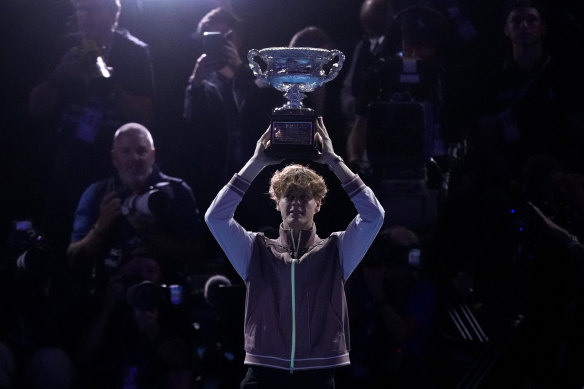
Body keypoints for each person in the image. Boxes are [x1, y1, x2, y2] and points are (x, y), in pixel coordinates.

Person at [204, 117, 384, 388]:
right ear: (277, 203)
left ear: (318, 204)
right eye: (289, 196)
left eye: (305, 197)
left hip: (318, 374)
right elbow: (215, 217)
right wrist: (257, 163)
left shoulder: (336, 250)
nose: (297, 203)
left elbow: (374, 216)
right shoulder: (256, 249)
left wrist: (334, 161)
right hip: (263, 373)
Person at [28, 0, 155, 256]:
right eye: (79, 9)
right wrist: (58, 75)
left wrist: (110, 86)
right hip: (69, 157)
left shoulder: (133, 51)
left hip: (113, 164)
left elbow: (146, 116)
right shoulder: (66, 46)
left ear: (113, 12)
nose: (84, 16)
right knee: (59, 235)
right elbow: (34, 109)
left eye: (92, 8)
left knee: (109, 240)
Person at [67, 123, 202, 303]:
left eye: (141, 151)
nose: (134, 158)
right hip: (111, 300)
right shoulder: (97, 194)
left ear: (152, 155)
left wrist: (155, 233)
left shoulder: (177, 192)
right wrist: (100, 227)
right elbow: (75, 259)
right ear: (114, 157)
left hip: (166, 299)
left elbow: (197, 254)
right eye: (126, 151)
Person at [183, 6, 282, 213]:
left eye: (226, 36)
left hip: (258, 173)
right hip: (218, 176)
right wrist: (196, 83)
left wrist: (240, 70)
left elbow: (269, 112)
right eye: (213, 37)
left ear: (238, 38)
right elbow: (192, 125)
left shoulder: (258, 75)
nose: (222, 42)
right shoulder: (203, 82)